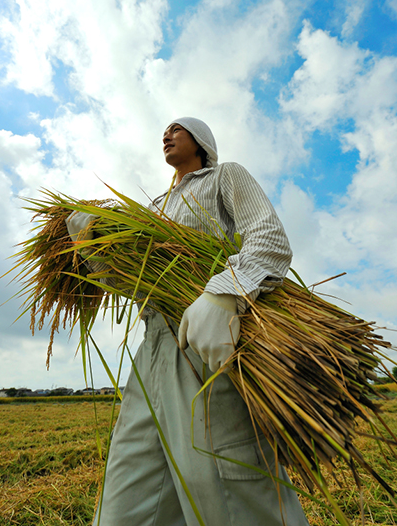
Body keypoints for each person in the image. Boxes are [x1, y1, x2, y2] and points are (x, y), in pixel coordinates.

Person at [67, 117, 309, 526]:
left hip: (206, 333)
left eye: (177, 129)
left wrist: (225, 292)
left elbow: (269, 238)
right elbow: (129, 283)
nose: (166, 134)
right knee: (124, 505)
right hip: (152, 350)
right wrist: (90, 246)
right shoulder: (152, 211)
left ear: (201, 142)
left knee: (229, 492)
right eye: (164, 130)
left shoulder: (223, 178)